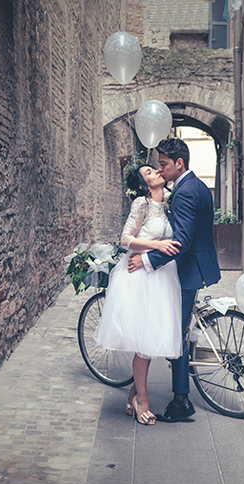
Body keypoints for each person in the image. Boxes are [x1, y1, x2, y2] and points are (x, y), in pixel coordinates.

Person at [128, 138, 221, 423]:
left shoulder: (184, 193)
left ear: (179, 163)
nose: (161, 169)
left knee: (175, 335)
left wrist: (145, 261)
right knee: (174, 332)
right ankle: (139, 391)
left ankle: (181, 400)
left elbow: (180, 241)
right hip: (195, 267)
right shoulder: (196, 187)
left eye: (164, 164)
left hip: (186, 271)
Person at [94, 163, 183, 425]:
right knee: (144, 345)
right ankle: (142, 400)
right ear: (144, 185)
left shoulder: (166, 204)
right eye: (149, 173)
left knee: (152, 339)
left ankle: (134, 392)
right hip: (140, 278)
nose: (156, 171)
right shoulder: (140, 204)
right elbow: (125, 239)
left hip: (161, 277)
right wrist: (157, 245)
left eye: (155, 169)